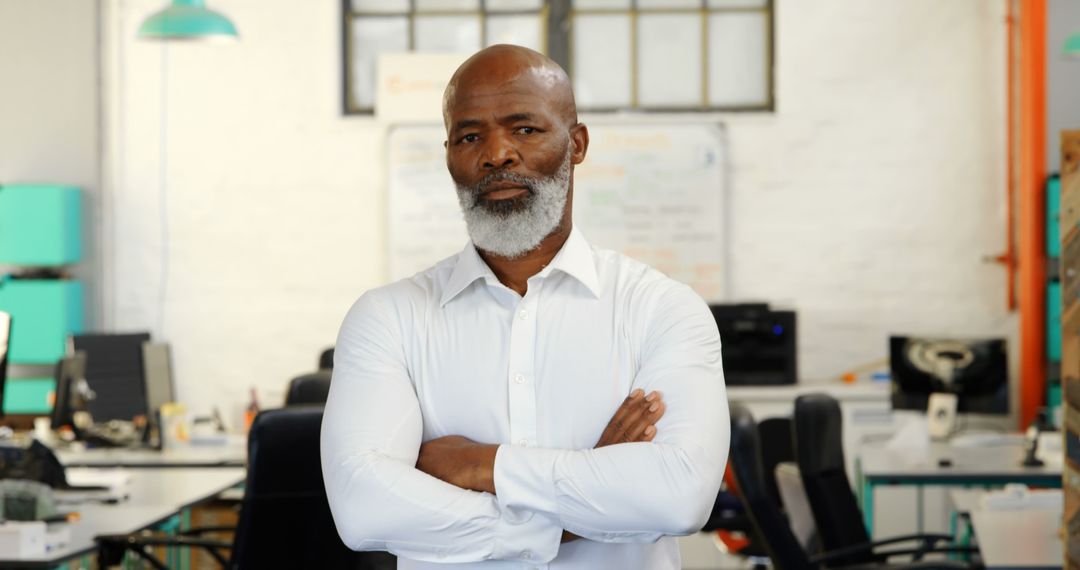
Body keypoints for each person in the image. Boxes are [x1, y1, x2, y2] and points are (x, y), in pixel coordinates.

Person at [321, 44, 728, 569]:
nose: (496, 154)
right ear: (448, 154)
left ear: (576, 144)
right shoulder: (389, 318)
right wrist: (577, 507)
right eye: (470, 136)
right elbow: (364, 511)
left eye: (525, 129)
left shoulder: (662, 310)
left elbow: (678, 497)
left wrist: (484, 466)